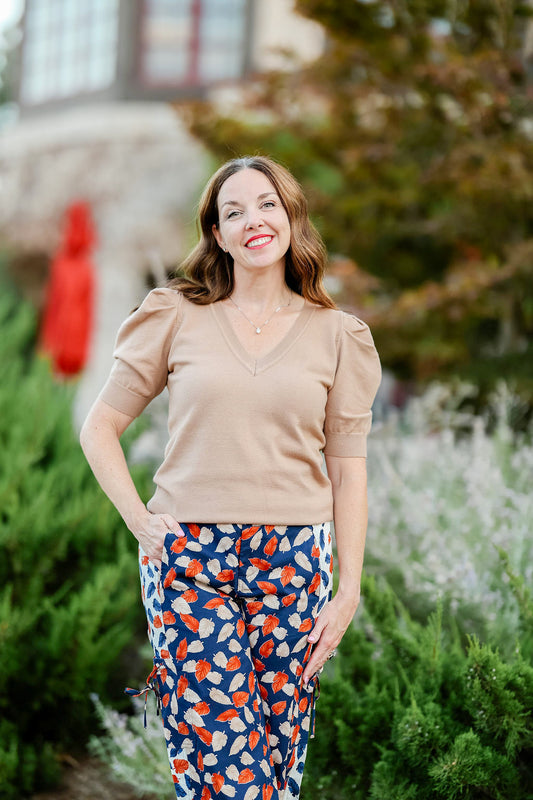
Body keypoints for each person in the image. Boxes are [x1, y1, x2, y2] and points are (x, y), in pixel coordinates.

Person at [80, 155, 381, 800]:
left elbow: (348, 473)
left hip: (295, 561)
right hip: (188, 559)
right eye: (233, 211)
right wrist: (142, 522)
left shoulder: (339, 336)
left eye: (267, 204)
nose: (253, 221)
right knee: (221, 765)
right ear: (217, 234)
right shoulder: (175, 316)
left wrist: (348, 589)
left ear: (292, 217)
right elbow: (98, 429)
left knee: (277, 762)